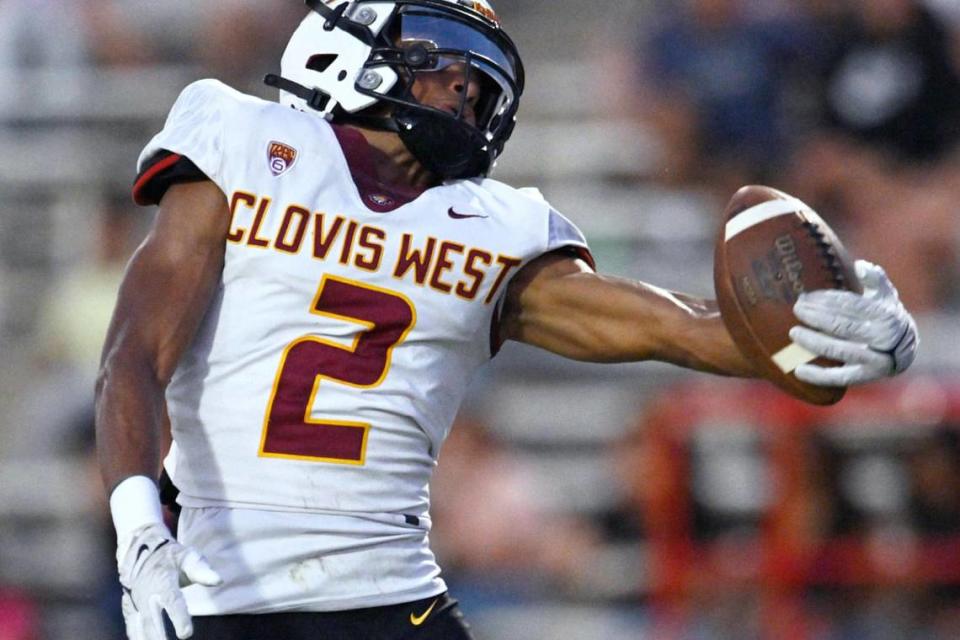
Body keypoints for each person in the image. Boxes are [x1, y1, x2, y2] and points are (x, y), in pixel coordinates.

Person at [94, 1, 919, 639]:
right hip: (217, 588)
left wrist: (824, 324)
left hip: (393, 600)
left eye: (478, 82)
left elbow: (685, 325)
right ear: (348, 47)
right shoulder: (246, 140)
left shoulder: (495, 229)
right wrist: (139, 532)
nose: (465, 89)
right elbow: (132, 354)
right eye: (444, 66)